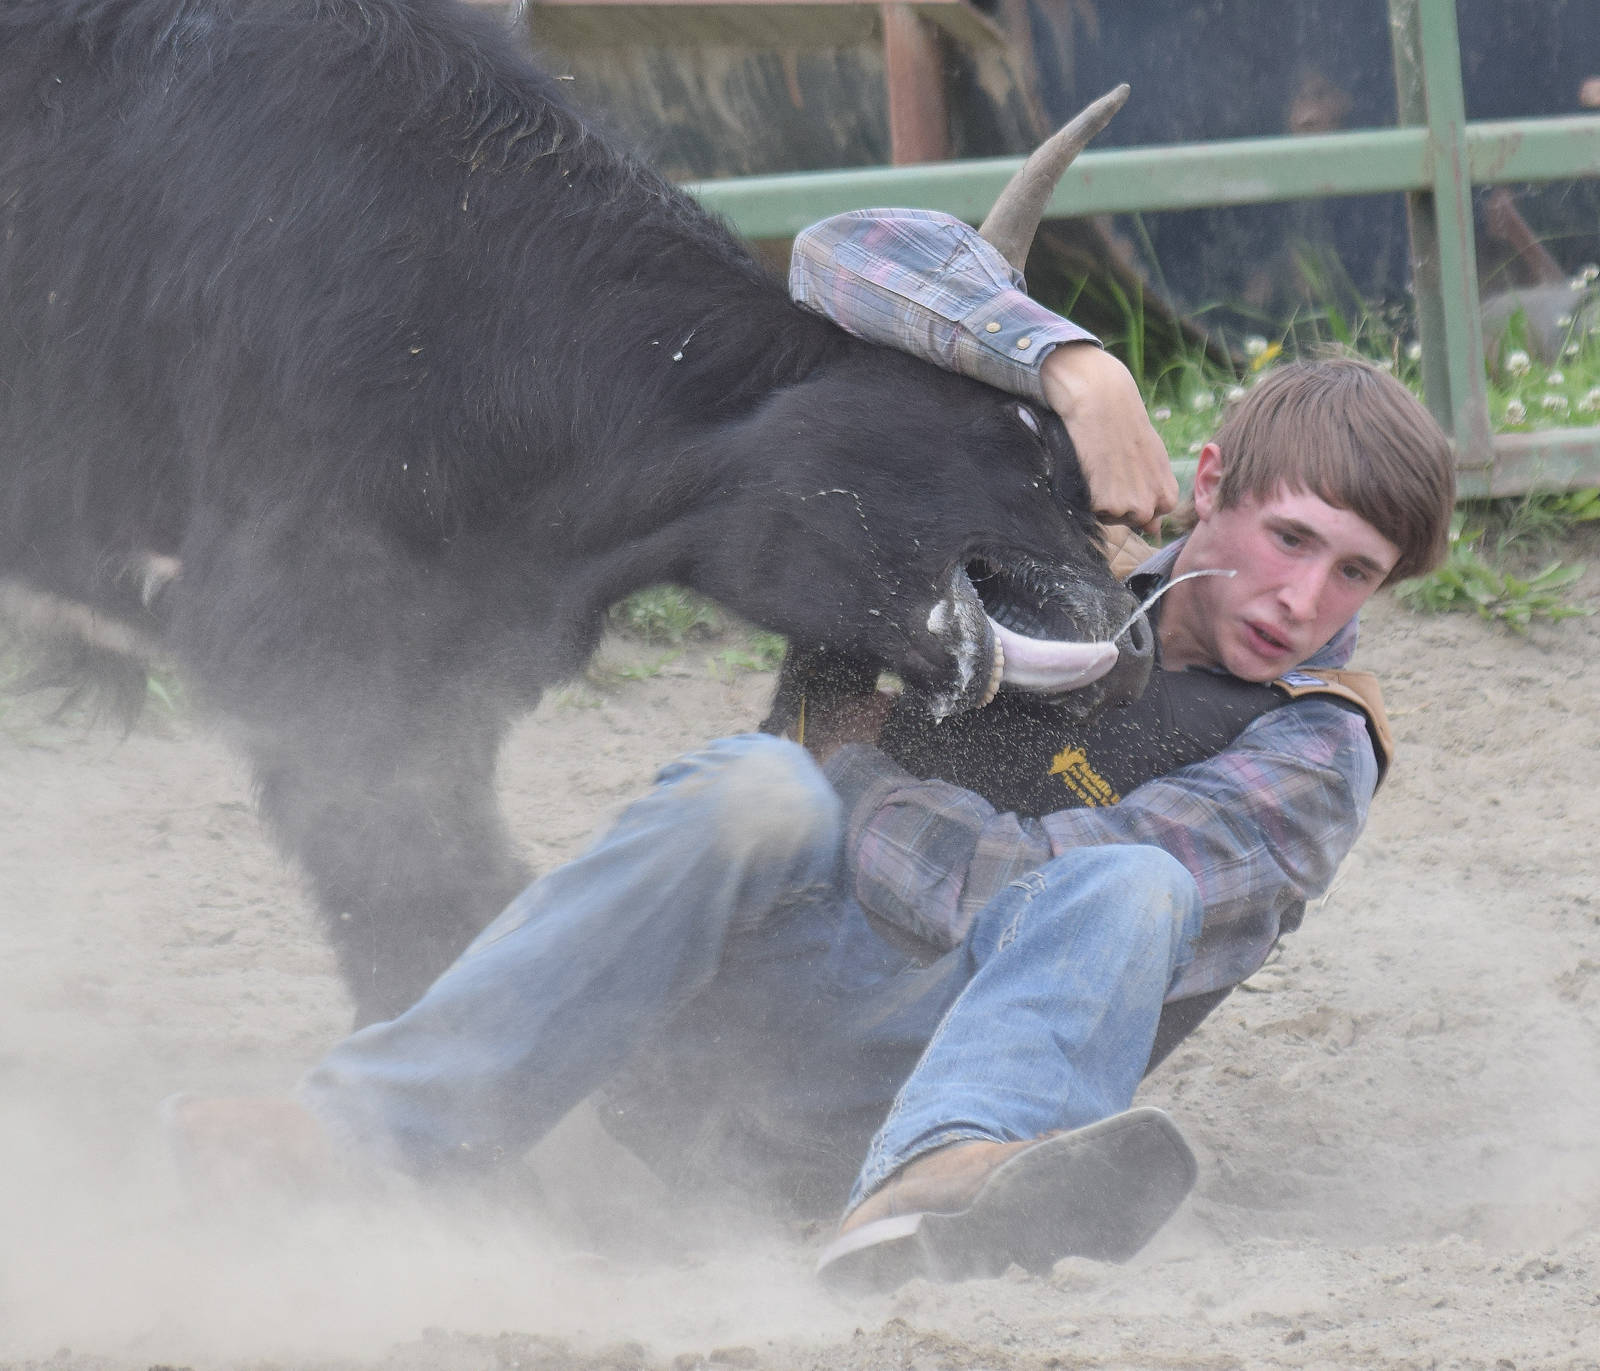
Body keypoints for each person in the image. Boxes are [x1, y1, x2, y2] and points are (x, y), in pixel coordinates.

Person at [166, 211, 1455, 1294]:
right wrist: (1073, 371)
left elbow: (1019, 892)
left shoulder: (1315, 747)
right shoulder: (1051, 530)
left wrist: (852, 777)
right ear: (1214, 479)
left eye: (1356, 573)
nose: (1305, 599)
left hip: (924, 1071)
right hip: (695, 1054)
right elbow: (843, 252)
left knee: (1129, 887)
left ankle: (933, 1192)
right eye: (1290, 539)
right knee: (748, 789)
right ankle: (355, 1134)